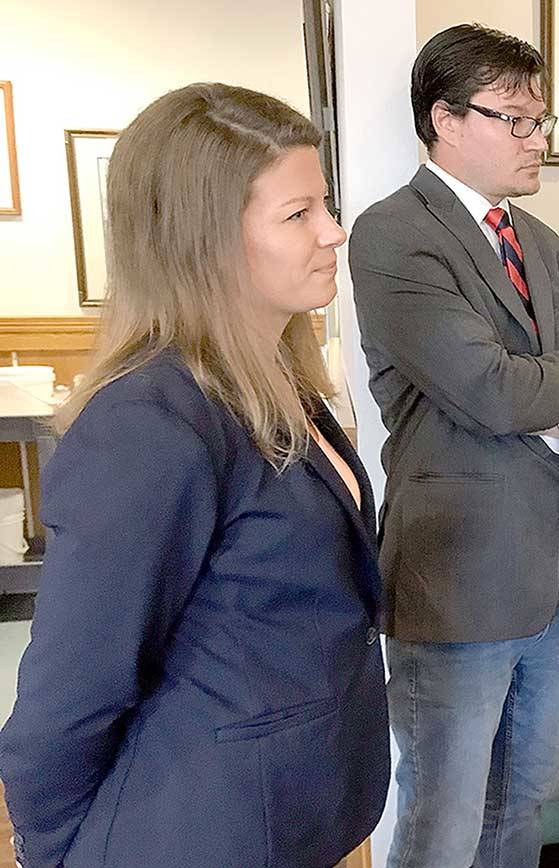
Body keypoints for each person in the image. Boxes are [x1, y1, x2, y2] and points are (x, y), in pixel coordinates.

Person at [0, 83, 389, 867]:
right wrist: (54, 849)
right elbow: (72, 695)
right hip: (201, 826)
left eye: (326, 205)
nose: (334, 233)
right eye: (298, 214)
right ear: (203, 241)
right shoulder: (147, 422)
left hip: (297, 810)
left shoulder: (279, 382)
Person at [349, 24, 559, 868]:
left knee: (522, 805)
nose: (537, 138)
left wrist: (554, 412)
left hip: (551, 579)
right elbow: (490, 389)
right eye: (515, 118)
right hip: (456, 584)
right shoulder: (393, 234)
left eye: (539, 119)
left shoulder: (542, 244)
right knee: (443, 824)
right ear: (444, 119)